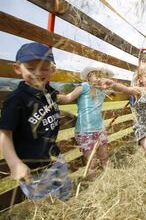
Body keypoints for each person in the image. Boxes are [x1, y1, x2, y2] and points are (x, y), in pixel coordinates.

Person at [0, 42, 72, 200]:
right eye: (31, 68)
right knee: (48, 204)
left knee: (66, 192)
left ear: (52, 70)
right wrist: (14, 164)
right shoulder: (17, 100)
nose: (38, 73)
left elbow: (61, 101)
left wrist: (80, 91)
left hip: (55, 158)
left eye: (44, 68)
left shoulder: (49, 93)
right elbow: (4, 134)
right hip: (34, 168)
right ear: (18, 69)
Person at [58, 64, 114, 179]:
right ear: (88, 78)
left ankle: (111, 179)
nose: (98, 79)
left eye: (101, 76)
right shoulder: (83, 87)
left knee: (104, 157)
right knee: (91, 162)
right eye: (95, 76)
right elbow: (67, 98)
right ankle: (93, 185)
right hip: (85, 131)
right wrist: (50, 96)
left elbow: (114, 87)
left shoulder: (102, 91)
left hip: (100, 130)